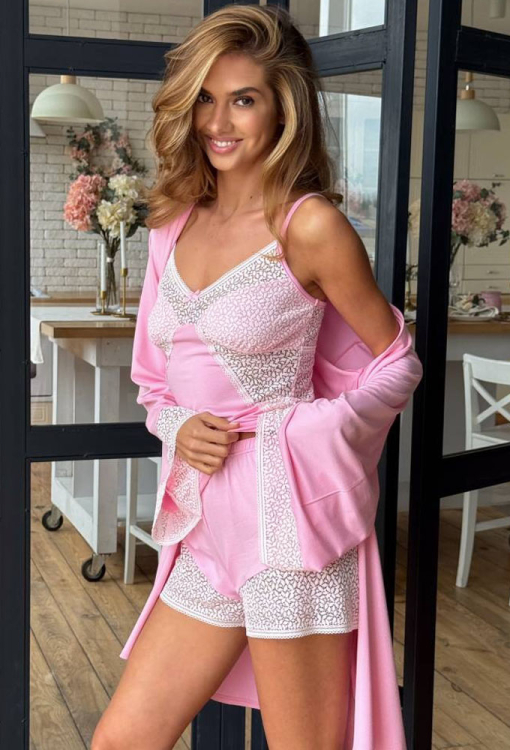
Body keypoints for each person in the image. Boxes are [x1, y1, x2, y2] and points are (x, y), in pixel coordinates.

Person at [92, 5, 422, 750]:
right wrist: (178, 426)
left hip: (287, 531)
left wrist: (301, 433)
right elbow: (154, 380)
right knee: (122, 740)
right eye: (205, 98)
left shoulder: (310, 227)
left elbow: (398, 361)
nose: (219, 122)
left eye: (243, 99)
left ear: (283, 108)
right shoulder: (173, 222)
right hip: (207, 528)